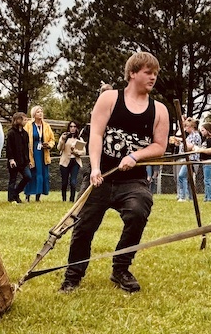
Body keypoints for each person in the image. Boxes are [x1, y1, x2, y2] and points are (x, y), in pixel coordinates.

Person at [60, 51, 170, 294]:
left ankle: (121, 268)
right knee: (84, 227)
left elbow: (159, 146)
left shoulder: (159, 110)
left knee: (138, 211)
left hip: (133, 181)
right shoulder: (110, 99)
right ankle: (73, 276)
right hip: (101, 176)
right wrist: (96, 168)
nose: (153, 78)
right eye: (148, 72)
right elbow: (96, 134)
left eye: (155, 74)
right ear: (132, 73)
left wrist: (134, 156)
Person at [23, 105, 54, 202]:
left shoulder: (46, 126)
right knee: (32, 173)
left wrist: (48, 145)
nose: (40, 113)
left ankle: (38, 195)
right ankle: (28, 195)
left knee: (42, 174)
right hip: (32, 152)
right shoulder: (29, 125)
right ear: (33, 114)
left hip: (43, 153)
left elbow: (52, 139)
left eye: (41, 111)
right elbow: (24, 139)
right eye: (38, 112)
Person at [5, 112, 32, 204]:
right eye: (24, 119)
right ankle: (11, 198)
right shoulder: (11, 133)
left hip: (23, 161)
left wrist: (28, 160)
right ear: (18, 120)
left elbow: (26, 148)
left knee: (28, 176)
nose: (26, 121)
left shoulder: (25, 134)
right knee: (13, 179)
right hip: (14, 160)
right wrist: (11, 159)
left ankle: (15, 193)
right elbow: (9, 148)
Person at [176, 118, 202, 202]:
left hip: (192, 159)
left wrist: (182, 141)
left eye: (186, 126)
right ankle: (192, 197)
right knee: (189, 179)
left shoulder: (196, 135)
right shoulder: (190, 136)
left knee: (181, 176)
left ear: (192, 126)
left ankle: (183, 196)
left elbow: (191, 147)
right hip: (188, 159)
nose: (185, 128)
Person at [58, 121, 84, 202]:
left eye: (74, 126)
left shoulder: (79, 139)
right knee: (64, 182)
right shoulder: (65, 138)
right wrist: (62, 140)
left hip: (75, 161)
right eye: (71, 126)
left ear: (77, 128)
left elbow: (83, 152)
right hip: (65, 161)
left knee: (73, 181)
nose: (72, 128)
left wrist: (75, 151)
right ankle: (64, 199)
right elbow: (59, 148)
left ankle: (72, 199)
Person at [199, 122, 211, 203]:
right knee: (206, 180)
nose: (201, 132)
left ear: (208, 130)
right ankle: (207, 197)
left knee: (207, 180)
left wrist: (201, 150)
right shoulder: (208, 139)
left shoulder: (210, 139)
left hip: (209, 162)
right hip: (206, 162)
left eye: (203, 130)